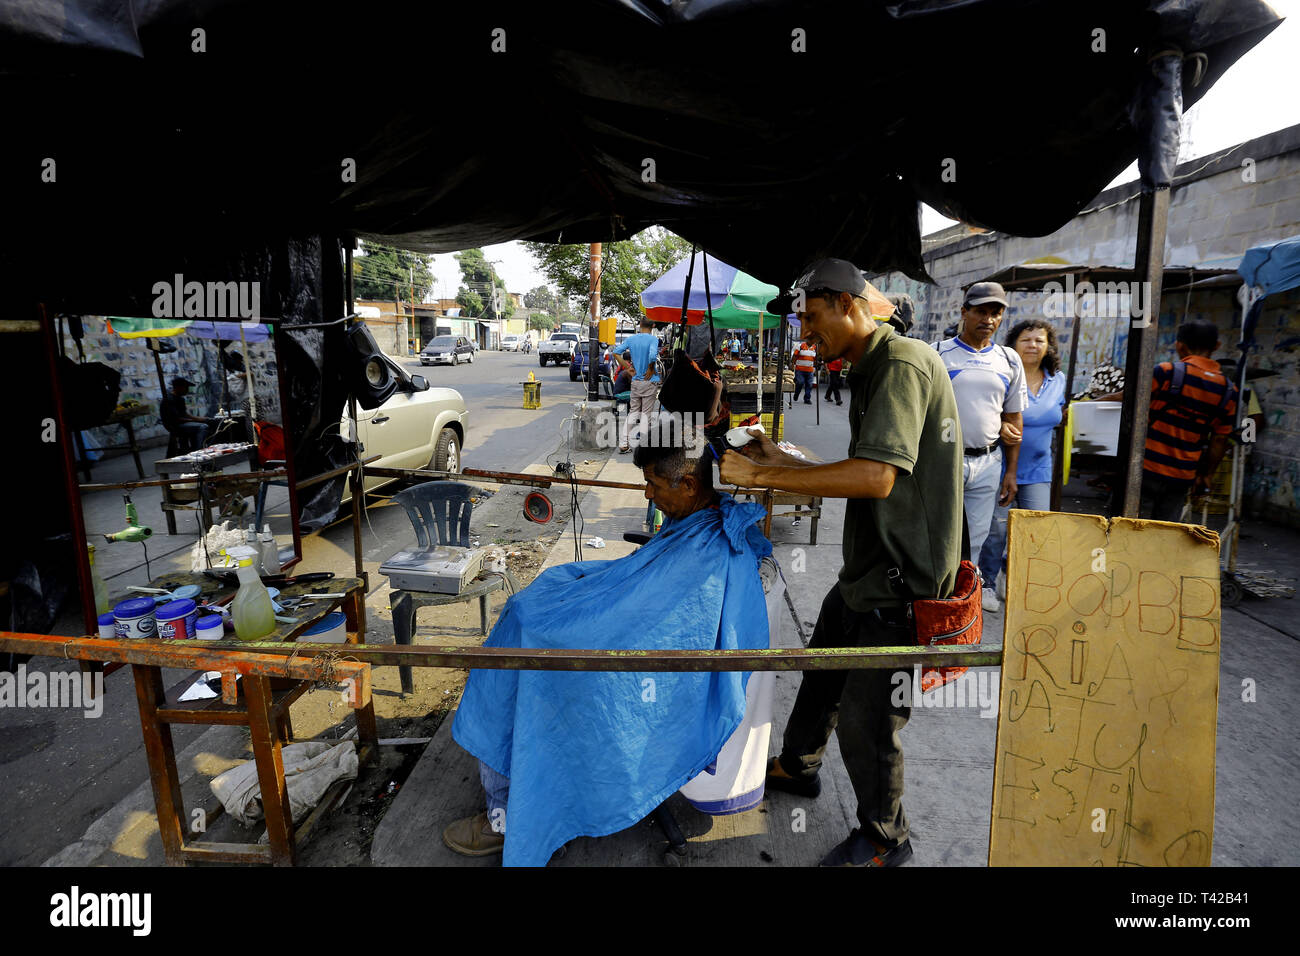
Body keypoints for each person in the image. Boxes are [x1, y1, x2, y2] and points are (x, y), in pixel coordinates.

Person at [720, 258, 963, 867]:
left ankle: (887, 838)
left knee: (868, 719)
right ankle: (799, 766)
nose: (804, 335)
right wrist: (779, 458)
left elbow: (876, 478)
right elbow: (854, 471)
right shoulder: (869, 366)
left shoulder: (902, 364)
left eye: (810, 317)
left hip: (904, 578)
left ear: (845, 302)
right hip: (867, 567)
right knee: (823, 666)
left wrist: (761, 473)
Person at [446, 422, 772, 864]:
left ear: (689, 484)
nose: (648, 496)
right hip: (624, 604)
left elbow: (659, 627)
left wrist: (568, 626)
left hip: (630, 654)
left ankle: (509, 813)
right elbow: (641, 595)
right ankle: (511, 785)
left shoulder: (711, 550)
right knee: (545, 593)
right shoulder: (695, 521)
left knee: (530, 641)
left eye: (653, 485)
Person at [934, 281, 1026, 610]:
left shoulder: (1009, 360)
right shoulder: (939, 353)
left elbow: (1014, 419)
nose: (988, 319)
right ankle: (935, 594)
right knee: (940, 530)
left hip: (988, 461)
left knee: (976, 536)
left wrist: (1011, 471)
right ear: (964, 313)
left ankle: (962, 601)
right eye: (981, 311)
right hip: (946, 459)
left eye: (995, 313)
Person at [1097, 321, 1238, 522]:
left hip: (1142, 470)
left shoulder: (1166, 372)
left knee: (1124, 530)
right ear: (1216, 346)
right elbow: (1219, 441)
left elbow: (1126, 397)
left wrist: (1086, 405)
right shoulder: (1228, 391)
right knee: (1163, 535)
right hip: (1182, 477)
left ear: (1179, 345)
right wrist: (1206, 475)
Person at [976, 320, 1067, 609]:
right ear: (1013, 344)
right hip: (1000, 465)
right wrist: (1002, 423)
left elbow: (1058, 414)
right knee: (996, 530)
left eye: (1039, 340)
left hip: (1039, 468)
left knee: (1036, 529)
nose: (1032, 345)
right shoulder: (1002, 374)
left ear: (1048, 346)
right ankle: (986, 584)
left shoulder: (1058, 380)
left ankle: (1010, 573)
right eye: (1026, 340)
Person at [619, 317, 662, 451]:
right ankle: (643, 447)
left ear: (640, 324)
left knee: (633, 413)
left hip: (636, 381)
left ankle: (623, 443)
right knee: (646, 415)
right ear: (653, 325)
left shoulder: (631, 339)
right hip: (649, 381)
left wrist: (627, 367)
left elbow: (616, 352)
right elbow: (652, 355)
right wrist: (650, 368)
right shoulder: (653, 339)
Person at [159, 376, 211, 449]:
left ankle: (197, 447)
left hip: (181, 423)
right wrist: (196, 420)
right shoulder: (169, 399)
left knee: (208, 422)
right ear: (178, 387)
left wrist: (201, 418)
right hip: (174, 426)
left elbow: (185, 414)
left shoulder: (180, 399)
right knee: (203, 427)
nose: (187, 390)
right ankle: (199, 449)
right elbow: (176, 419)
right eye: (185, 388)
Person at [613, 351, 635, 453]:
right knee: (636, 396)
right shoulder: (627, 369)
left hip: (618, 391)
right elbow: (633, 383)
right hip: (620, 394)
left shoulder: (623, 367)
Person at [792, 338, 817, 404]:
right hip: (800, 370)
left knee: (809, 384)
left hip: (810, 370)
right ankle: (796, 393)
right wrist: (792, 364)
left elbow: (816, 359)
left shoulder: (815, 348)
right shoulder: (800, 346)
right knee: (800, 382)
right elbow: (794, 356)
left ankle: (807, 399)